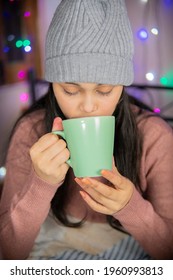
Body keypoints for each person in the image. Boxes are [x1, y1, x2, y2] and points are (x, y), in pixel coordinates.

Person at [0, 0, 173, 260]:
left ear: (122, 87)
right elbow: (7, 256)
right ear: (53, 85)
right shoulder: (31, 131)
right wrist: (41, 184)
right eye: (70, 90)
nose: (88, 106)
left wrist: (130, 206)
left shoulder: (155, 137)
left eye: (104, 90)